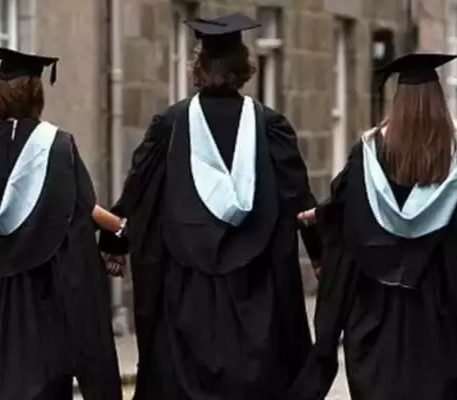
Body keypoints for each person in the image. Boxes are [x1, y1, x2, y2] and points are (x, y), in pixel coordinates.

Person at [288, 53, 457, 400]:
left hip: (375, 327)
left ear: (398, 102)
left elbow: (344, 215)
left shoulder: (366, 156)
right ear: (439, 101)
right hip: (439, 323)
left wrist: (318, 221)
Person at [98, 12, 322, 399]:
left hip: (187, 288)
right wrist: (320, 254)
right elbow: (299, 199)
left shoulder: (170, 126)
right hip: (256, 287)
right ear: (244, 67)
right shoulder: (271, 127)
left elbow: (138, 190)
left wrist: (115, 243)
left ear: (198, 67)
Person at [0, 48, 122, 400]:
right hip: (42, 338)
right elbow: (80, 223)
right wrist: (118, 236)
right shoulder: (58, 150)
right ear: (38, 95)